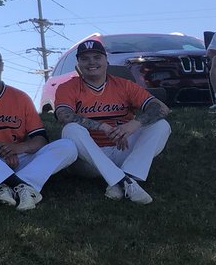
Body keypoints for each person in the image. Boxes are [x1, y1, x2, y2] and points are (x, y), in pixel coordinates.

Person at [0, 47, 76, 211]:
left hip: (17, 159)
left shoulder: (21, 97)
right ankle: (21, 185)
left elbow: (40, 139)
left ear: (2, 66)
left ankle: (6, 187)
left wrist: (17, 148)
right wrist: (2, 148)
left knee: (68, 147)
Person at [54, 39, 171, 204]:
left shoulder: (123, 85)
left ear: (106, 61)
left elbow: (161, 108)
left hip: (122, 149)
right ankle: (124, 182)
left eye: (96, 57)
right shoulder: (68, 87)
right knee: (71, 129)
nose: (91, 62)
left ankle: (128, 176)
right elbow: (63, 115)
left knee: (161, 126)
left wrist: (134, 124)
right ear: (78, 64)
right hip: (89, 158)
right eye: (85, 58)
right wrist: (102, 127)